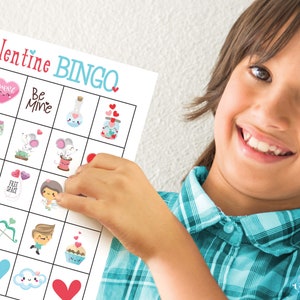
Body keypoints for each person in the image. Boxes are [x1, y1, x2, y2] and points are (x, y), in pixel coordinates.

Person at [55, 0, 300, 299]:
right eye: (261, 73)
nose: (270, 113)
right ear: (225, 75)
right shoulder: (96, 215)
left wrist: (166, 247)